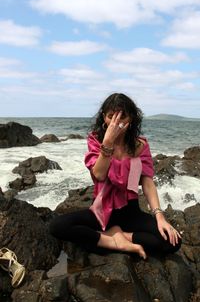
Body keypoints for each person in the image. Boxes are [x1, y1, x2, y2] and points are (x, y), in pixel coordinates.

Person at [50, 93, 181, 259]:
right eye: (111, 117)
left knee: (173, 241)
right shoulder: (96, 141)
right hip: (102, 211)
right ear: (104, 118)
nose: (116, 123)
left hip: (131, 212)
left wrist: (160, 216)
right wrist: (108, 143)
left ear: (132, 118)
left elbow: (147, 182)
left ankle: (121, 236)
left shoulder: (140, 146)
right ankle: (111, 241)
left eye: (122, 117)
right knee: (57, 226)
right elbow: (99, 174)